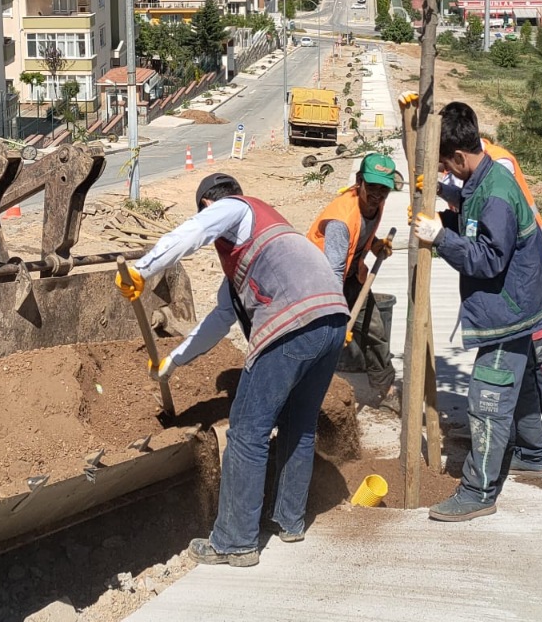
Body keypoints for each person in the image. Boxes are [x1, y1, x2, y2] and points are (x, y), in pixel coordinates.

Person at [120, 172, 349, 565]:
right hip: (332, 320)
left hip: (293, 321)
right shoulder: (262, 244)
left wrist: (143, 268)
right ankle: (290, 522)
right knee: (299, 423)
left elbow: (193, 231)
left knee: (246, 431)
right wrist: (172, 361)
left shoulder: (233, 207)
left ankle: (235, 541)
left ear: (209, 203)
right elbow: (217, 322)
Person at [416, 104, 542, 523]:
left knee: (489, 397)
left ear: (460, 156)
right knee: (521, 392)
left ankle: (478, 491)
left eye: (447, 166)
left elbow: (487, 260)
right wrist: (446, 196)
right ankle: (532, 454)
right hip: (524, 304)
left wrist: (440, 239)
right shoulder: (484, 179)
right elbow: (471, 203)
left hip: (510, 313)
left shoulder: (497, 193)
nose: (448, 172)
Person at [308, 152, 400, 394]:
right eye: (372, 187)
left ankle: (385, 389)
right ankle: (311, 392)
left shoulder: (375, 203)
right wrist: (337, 317)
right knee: (321, 338)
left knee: (376, 331)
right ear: (359, 181)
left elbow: (357, 238)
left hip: (351, 276)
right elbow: (333, 270)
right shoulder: (341, 219)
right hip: (319, 282)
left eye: (384, 189)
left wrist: (375, 244)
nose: (378, 195)